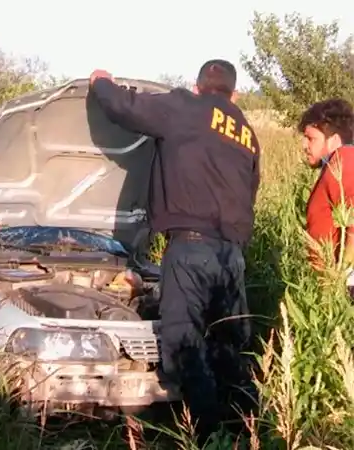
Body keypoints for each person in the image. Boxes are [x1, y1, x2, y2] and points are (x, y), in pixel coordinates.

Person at [87, 59, 261, 442]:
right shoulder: (246, 132)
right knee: (228, 346)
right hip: (231, 255)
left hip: (191, 249)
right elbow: (250, 191)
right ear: (234, 94)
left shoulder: (187, 107)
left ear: (197, 87)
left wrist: (101, 83)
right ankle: (248, 431)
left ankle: (208, 436)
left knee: (184, 344)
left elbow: (125, 107)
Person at [299, 99, 354, 289]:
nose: (304, 145)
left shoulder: (344, 159)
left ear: (334, 140)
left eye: (311, 138)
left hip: (342, 286)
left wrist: (346, 276)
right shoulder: (335, 164)